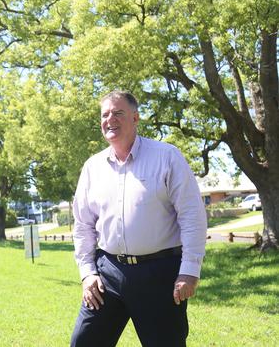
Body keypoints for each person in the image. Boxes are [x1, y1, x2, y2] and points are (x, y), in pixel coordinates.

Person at [70, 91, 207, 347]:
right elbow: (83, 225)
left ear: (135, 118)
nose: (110, 119)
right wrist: (87, 273)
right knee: (84, 342)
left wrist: (189, 271)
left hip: (159, 274)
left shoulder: (167, 156)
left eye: (118, 113)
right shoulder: (92, 167)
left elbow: (192, 216)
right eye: (105, 114)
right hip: (108, 273)